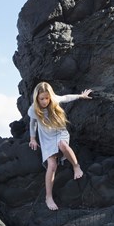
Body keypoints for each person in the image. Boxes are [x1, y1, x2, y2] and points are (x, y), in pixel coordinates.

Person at [28, 81, 92, 210]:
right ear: (37, 98)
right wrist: (33, 139)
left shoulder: (55, 100)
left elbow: (67, 97)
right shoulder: (33, 109)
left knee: (63, 144)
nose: (45, 101)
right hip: (46, 137)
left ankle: (76, 166)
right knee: (52, 165)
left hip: (59, 131)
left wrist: (81, 96)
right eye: (42, 99)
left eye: (47, 98)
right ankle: (48, 197)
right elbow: (32, 123)